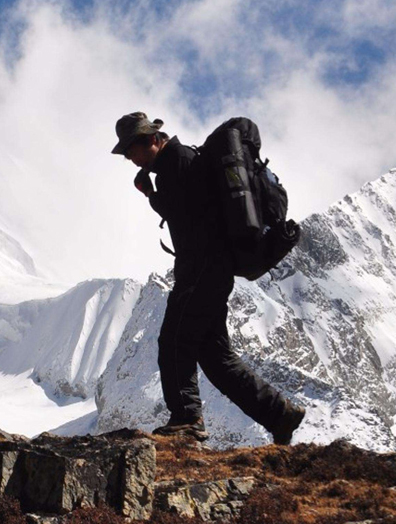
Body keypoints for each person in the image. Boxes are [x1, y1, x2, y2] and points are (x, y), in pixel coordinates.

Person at [111, 111, 306, 445]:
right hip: (213, 269)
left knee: (174, 340)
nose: (130, 157)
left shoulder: (177, 161)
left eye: (132, 148)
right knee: (216, 358)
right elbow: (192, 210)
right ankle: (279, 414)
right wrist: (153, 193)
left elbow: (189, 218)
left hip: (200, 268)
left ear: (153, 140)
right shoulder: (180, 162)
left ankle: (186, 420)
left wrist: (153, 195)